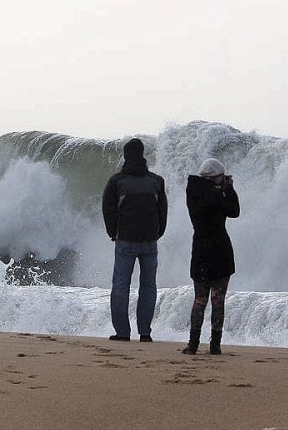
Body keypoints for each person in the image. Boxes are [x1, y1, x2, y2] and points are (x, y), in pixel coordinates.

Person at [102, 138, 167, 342]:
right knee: (149, 286)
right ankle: (145, 332)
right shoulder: (156, 181)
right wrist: (159, 232)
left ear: (126, 155)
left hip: (126, 241)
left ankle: (122, 332)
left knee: (121, 285)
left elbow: (108, 210)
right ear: (143, 153)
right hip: (150, 241)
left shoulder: (117, 181)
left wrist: (113, 233)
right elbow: (163, 210)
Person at [182, 158, 240, 355]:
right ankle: (215, 345)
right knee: (217, 301)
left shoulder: (192, 192)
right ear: (216, 177)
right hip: (220, 250)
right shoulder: (217, 195)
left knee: (199, 300)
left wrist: (221, 188)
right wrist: (229, 189)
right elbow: (234, 211)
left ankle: (192, 344)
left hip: (199, 250)